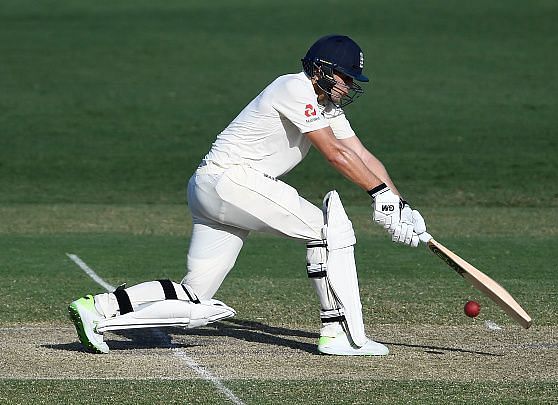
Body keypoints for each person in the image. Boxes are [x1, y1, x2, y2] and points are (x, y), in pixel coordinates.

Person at [68, 34, 429, 356]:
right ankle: (340, 334)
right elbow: (335, 154)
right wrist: (378, 193)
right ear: (321, 70)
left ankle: (98, 309)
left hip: (214, 188)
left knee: (195, 297)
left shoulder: (325, 107)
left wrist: (400, 204)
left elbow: (361, 154)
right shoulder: (293, 88)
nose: (349, 87)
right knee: (328, 231)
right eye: (345, 78)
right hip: (232, 181)